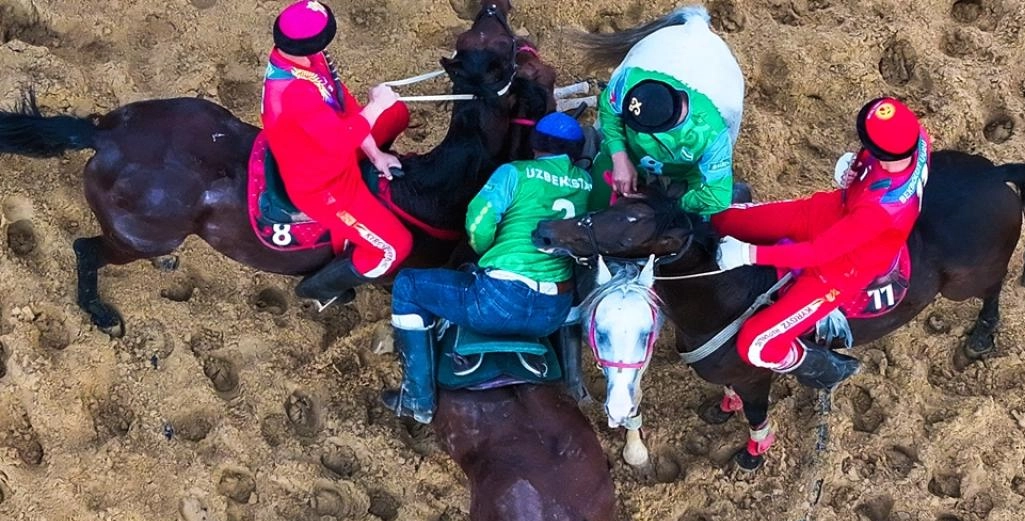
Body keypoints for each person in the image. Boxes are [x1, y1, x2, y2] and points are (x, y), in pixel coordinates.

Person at [381, 112, 593, 423]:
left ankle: (418, 399)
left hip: (498, 302)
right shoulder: (585, 183)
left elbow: (479, 219)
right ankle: (574, 386)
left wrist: (487, 251)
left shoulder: (514, 172)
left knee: (408, 285)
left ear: (535, 144)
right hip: (553, 313)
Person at [710, 96, 931, 390]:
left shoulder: (879, 210)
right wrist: (853, 172)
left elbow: (818, 253)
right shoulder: (918, 139)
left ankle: (816, 363)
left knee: (756, 344)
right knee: (722, 218)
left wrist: (747, 253)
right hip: (828, 212)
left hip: (838, 270)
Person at [261, 0, 412, 305]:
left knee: (395, 114)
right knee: (394, 247)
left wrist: (375, 155)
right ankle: (320, 288)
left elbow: (342, 102)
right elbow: (340, 141)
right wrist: (375, 106)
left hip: (331, 143)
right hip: (323, 184)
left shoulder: (309, 58)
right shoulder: (295, 93)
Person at [593, 8, 744, 216]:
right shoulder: (631, 81)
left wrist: (666, 207)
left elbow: (716, 197)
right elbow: (609, 108)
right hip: (630, 154)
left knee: (700, 227)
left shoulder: (711, 134)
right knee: (595, 200)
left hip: (688, 173)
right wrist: (619, 157)